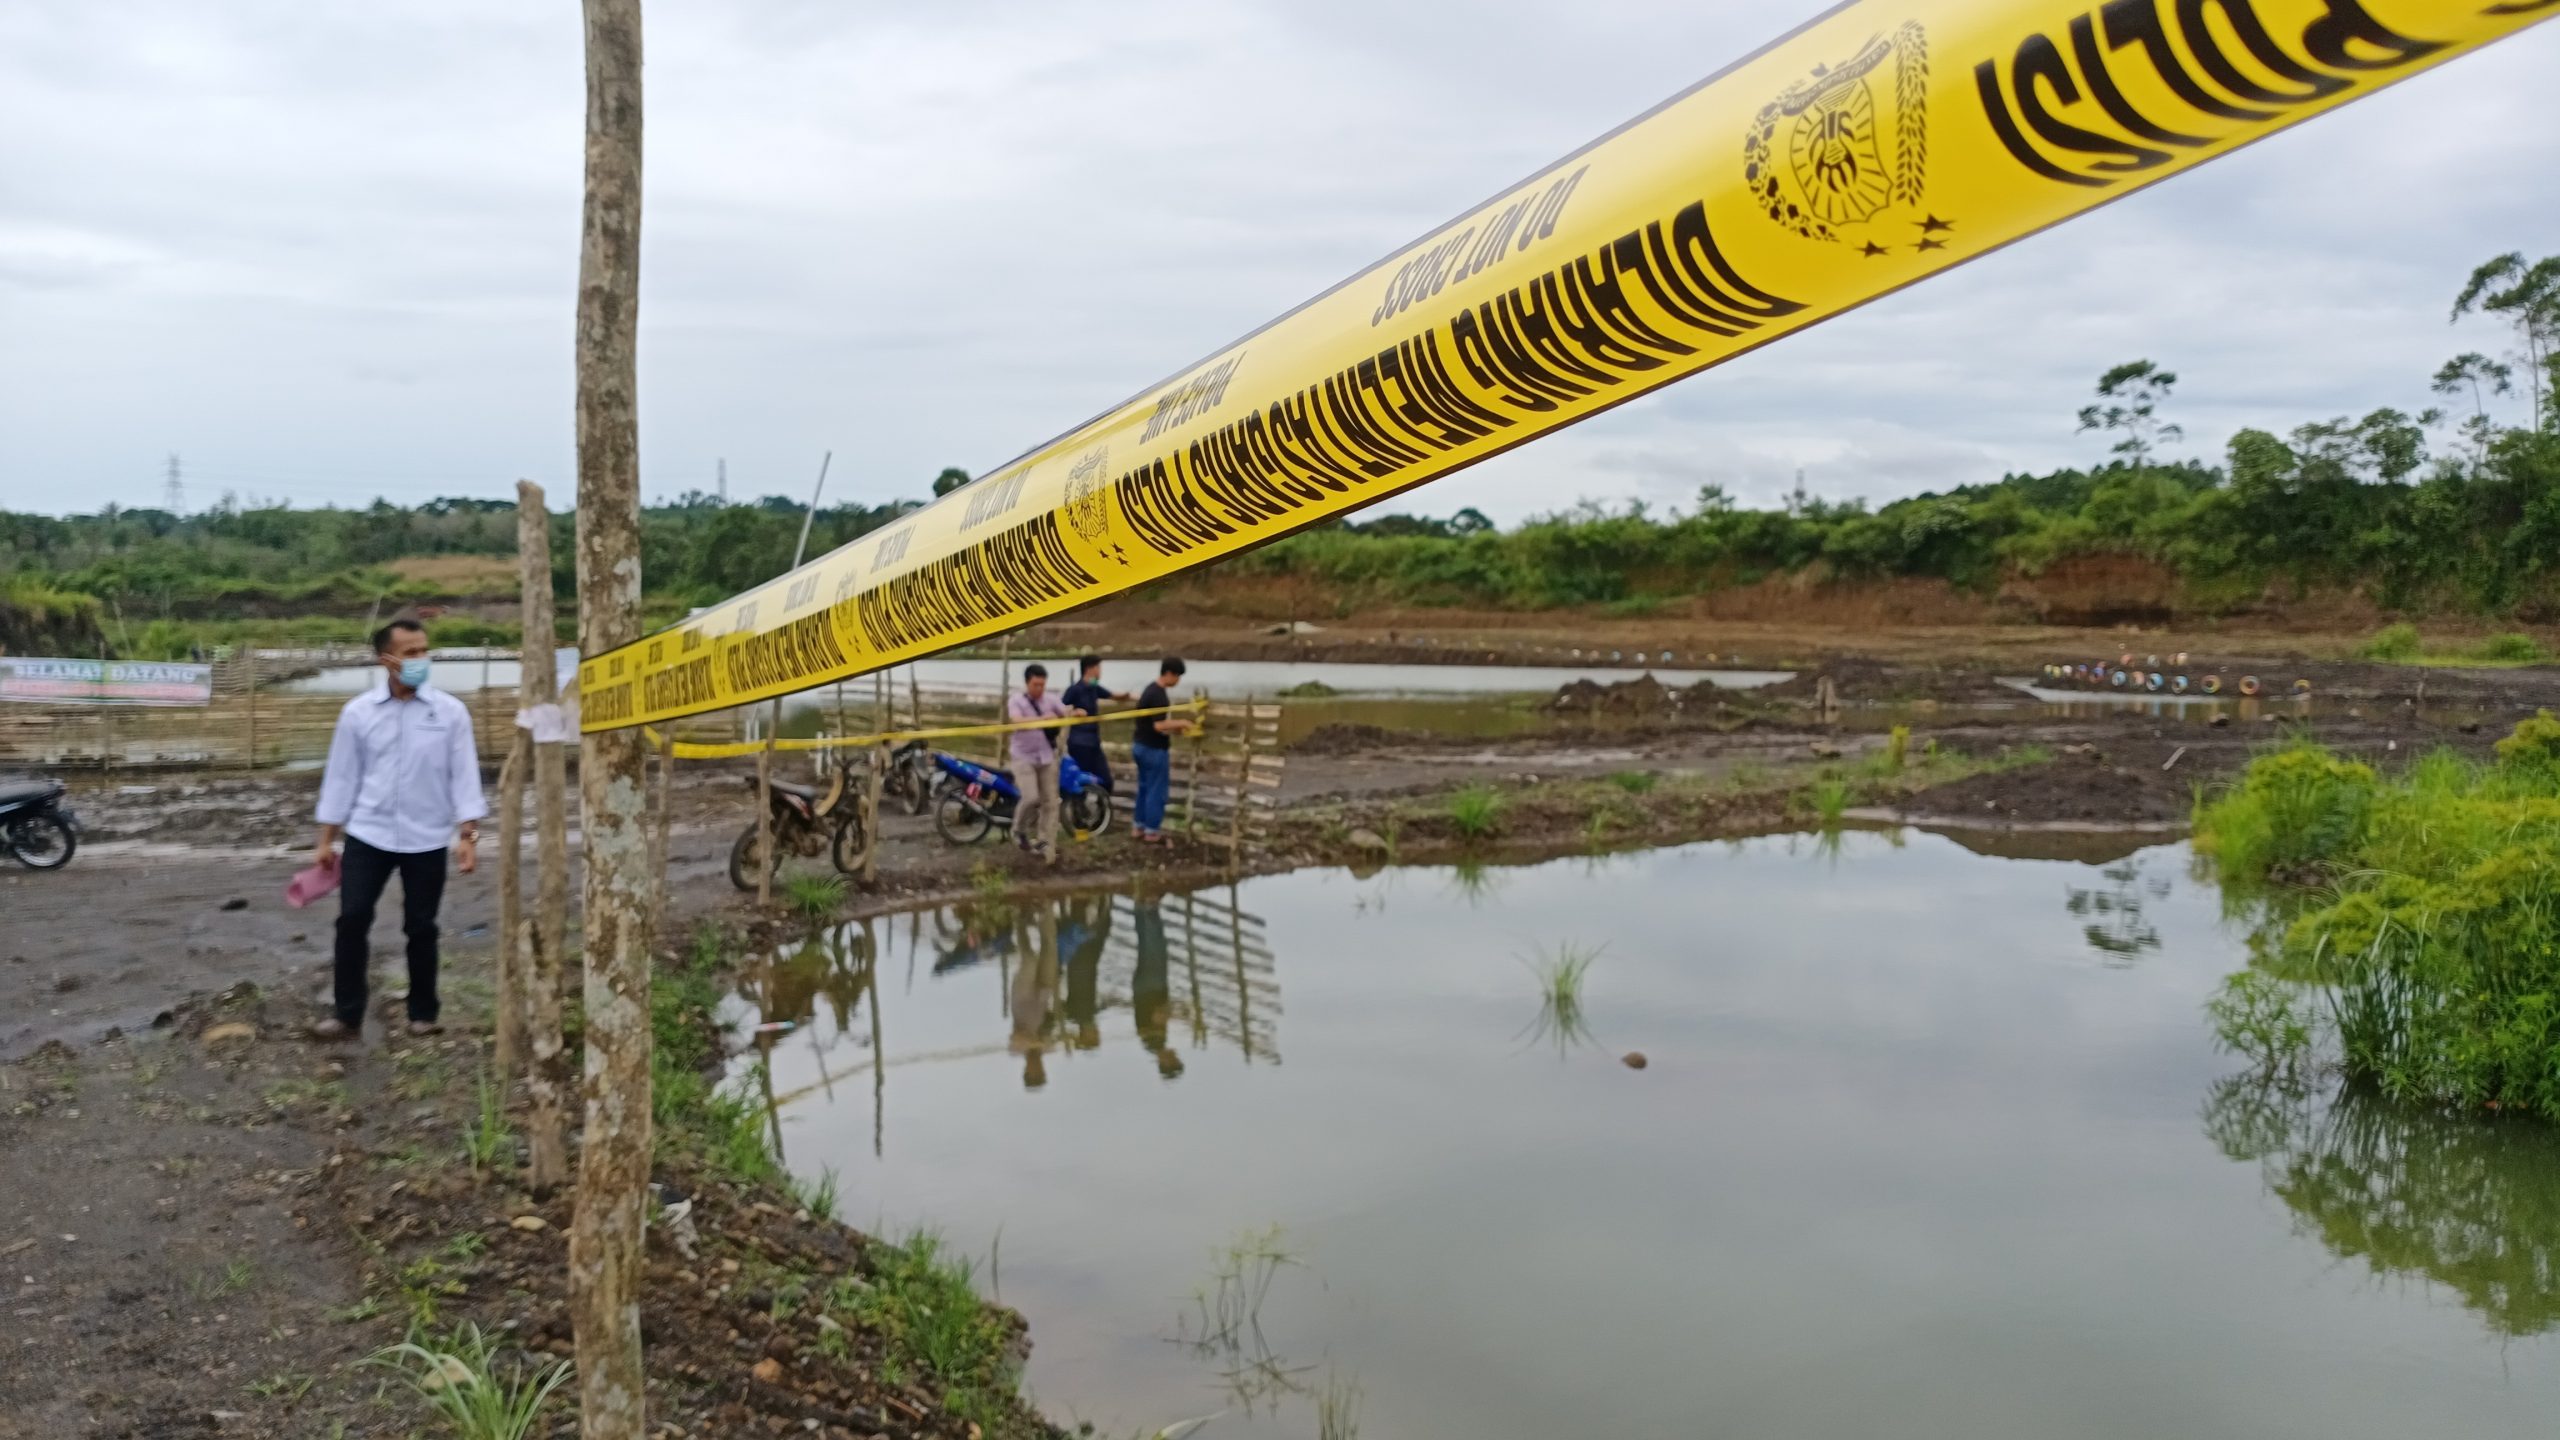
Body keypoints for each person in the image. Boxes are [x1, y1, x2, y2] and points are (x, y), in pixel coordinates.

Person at [309, 619, 486, 1039]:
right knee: (352, 919)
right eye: (410, 653)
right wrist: (326, 840)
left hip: (426, 839)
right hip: (369, 836)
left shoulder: (448, 713)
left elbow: (464, 777)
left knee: (421, 926)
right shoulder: (358, 714)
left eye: (424, 650)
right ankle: (346, 1013)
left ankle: (423, 1014)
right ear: (385, 659)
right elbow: (341, 778)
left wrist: (468, 836)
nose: (421, 659)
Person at [1005, 662, 1078, 862]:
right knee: (1030, 797)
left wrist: (1075, 713)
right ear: (1027, 682)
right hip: (1023, 757)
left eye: (1042, 685)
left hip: (1046, 756)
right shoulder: (1016, 700)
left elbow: (1064, 712)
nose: (1039, 689)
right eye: (1036, 685)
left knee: (1050, 803)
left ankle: (1045, 843)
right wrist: (1041, 719)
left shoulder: (1050, 699)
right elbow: (1016, 720)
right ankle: (1018, 829)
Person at [1130, 656, 1194, 844]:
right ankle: (1152, 831)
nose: (1178, 681)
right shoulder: (1159, 694)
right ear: (1169, 674)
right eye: (1177, 676)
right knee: (1156, 790)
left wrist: (1175, 729)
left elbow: (1152, 723)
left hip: (1140, 745)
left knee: (1143, 788)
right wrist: (1181, 722)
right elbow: (1158, 725)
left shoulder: (1149, 690)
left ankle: (1138, 826)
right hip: (1153, 748)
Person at [1058, 655, 1128, 793]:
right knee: (1083, 781)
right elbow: (1059, 709)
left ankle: (1099, 809)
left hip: (1094, 742)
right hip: (1079, 743)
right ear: (1090, 669)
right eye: (1099, 668)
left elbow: (1113, 695)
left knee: (1106, 781)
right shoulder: (1075, 689)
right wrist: (1074, 713)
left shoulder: (1094, 687)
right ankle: (1080, 810)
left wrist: (1131, 696)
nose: (1100, 671)